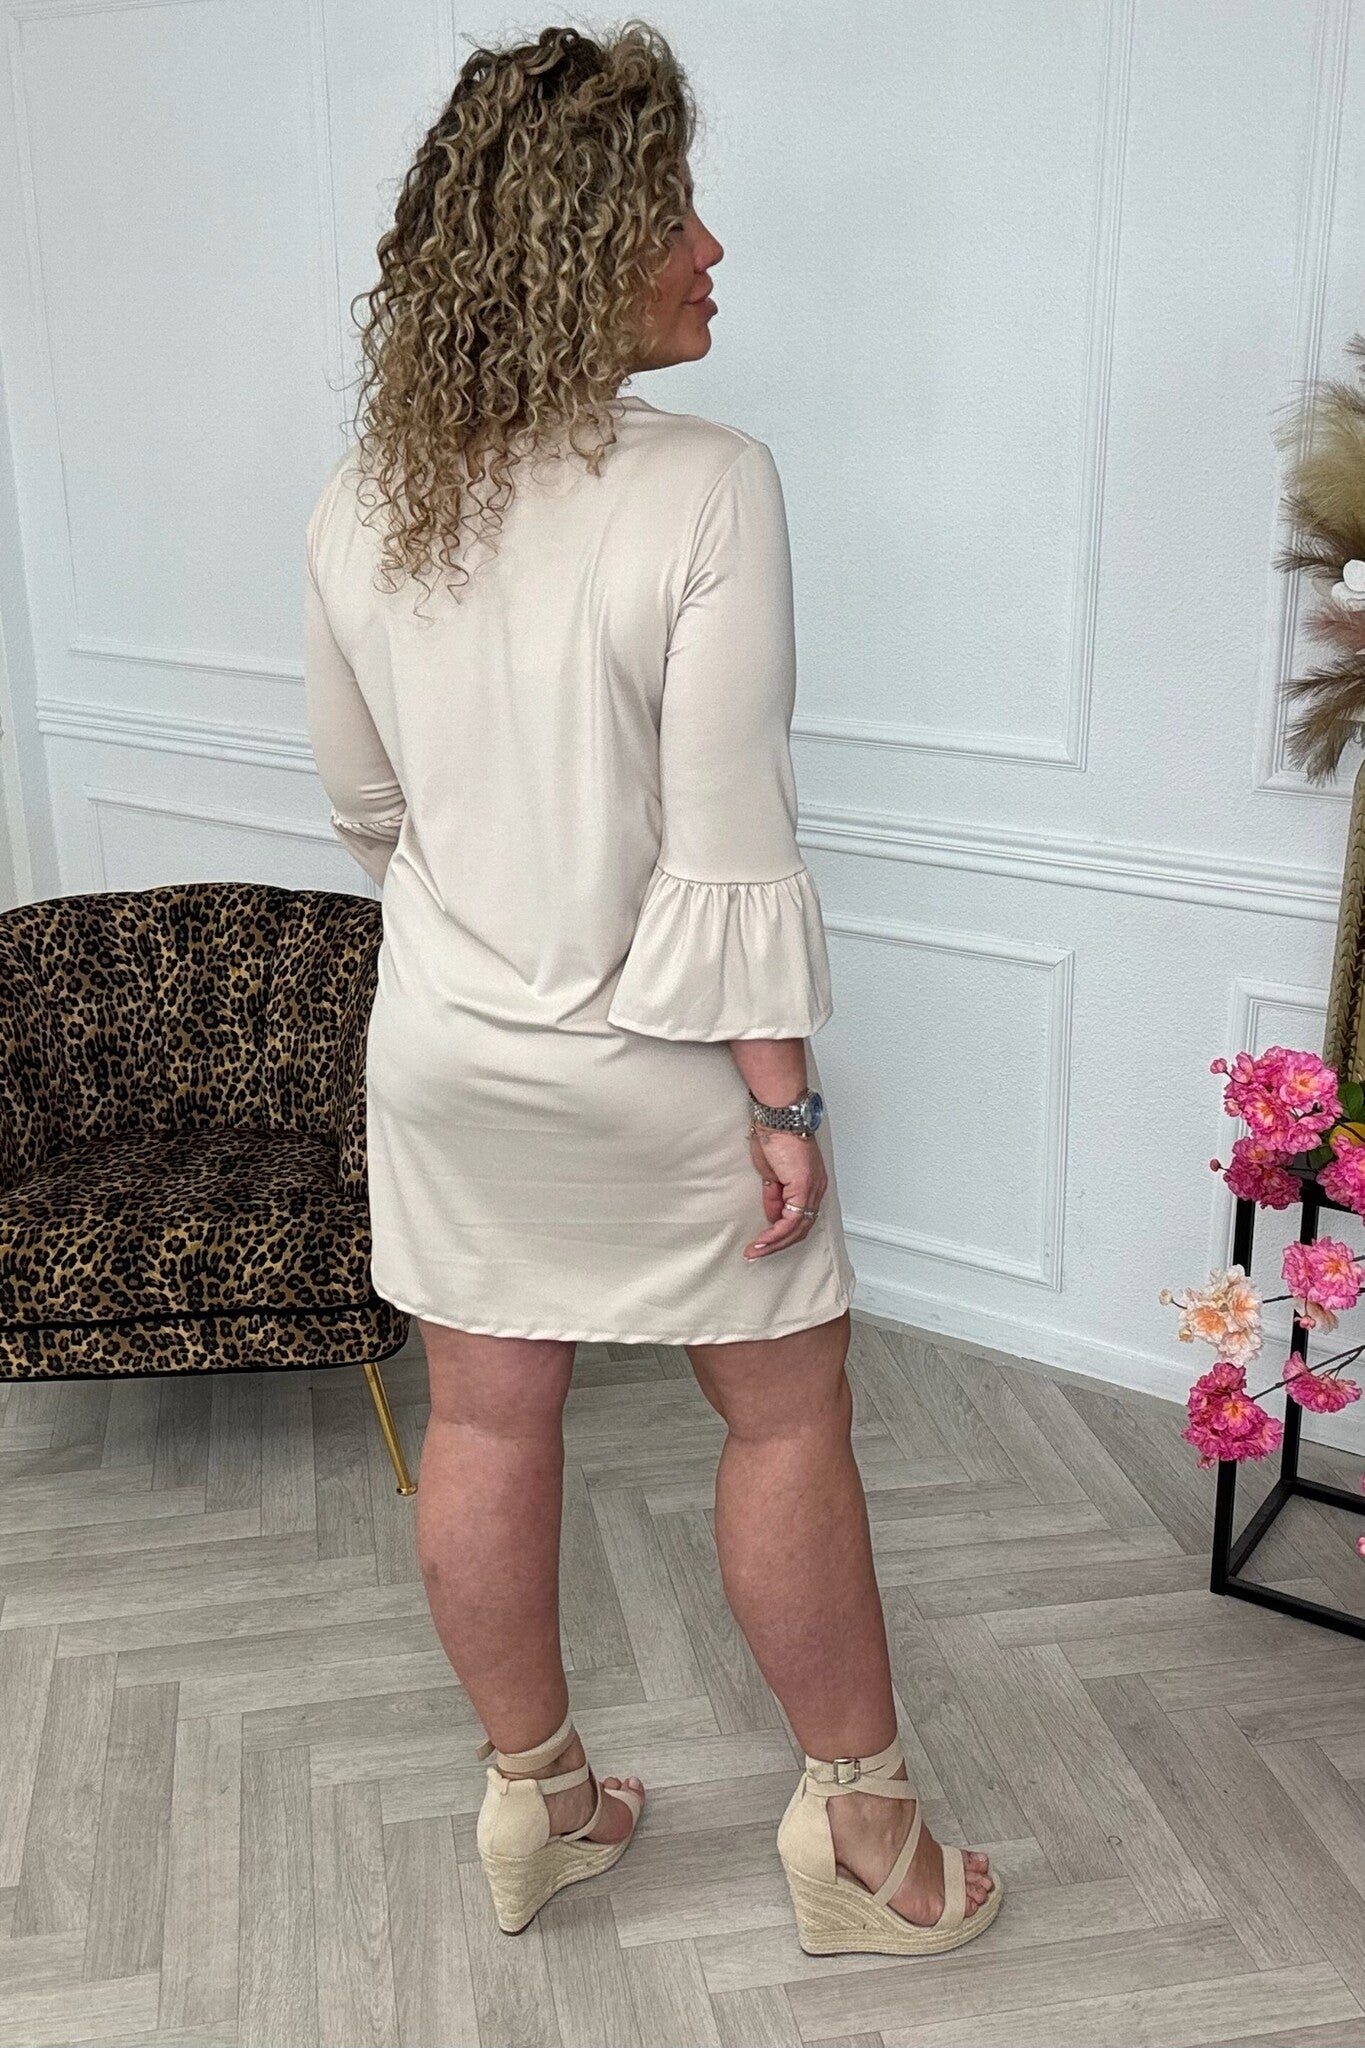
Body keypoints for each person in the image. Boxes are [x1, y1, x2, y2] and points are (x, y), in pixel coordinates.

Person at [303, 20, 999, 1958]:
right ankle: (861, 1836)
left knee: (484, 1421)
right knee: (780, 1422)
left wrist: (488, 910)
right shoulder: (705, 481)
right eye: (671, 212)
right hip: (664, 1058)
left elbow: (364, 804)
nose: (711, 248)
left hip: (448, 1047)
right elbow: (724, 836)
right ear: (572, 241)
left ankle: (538, 1799)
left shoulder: (365, 492)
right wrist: (782, 1099)